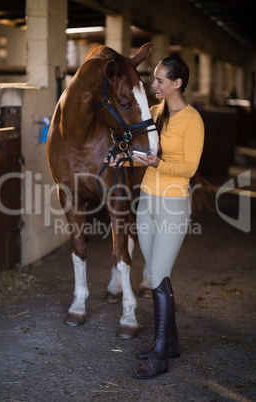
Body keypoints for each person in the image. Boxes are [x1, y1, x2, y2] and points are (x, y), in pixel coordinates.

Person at [108, 56, 204, 379]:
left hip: (173, 204)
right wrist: (125, 157)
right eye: (155, 79)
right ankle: (171, 342)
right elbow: (147, 157)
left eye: (161, 80)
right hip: (146, 201)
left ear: (177, 84)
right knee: (158, 275)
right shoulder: (156, 113)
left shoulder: (193, 121)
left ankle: (160, 354)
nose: (154, 85)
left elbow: (189, 168)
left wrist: (156, 164)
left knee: (159, 274)